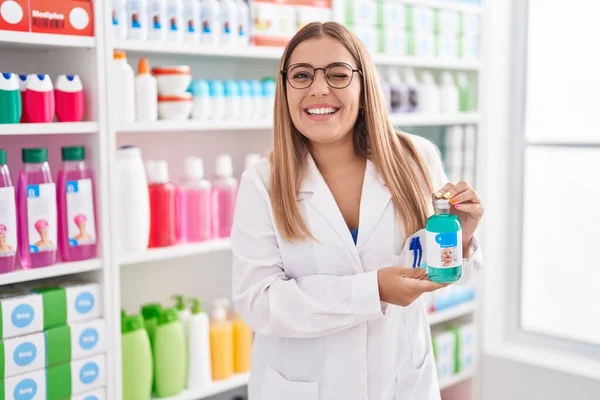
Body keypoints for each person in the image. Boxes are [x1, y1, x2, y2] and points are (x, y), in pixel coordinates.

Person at [230, 22, 484, 400]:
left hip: (399, 381)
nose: (318, 88)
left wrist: (459, 241)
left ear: (364, 89)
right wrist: (372, 290)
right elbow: (258, 303)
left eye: (337, 74)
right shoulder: (262, 182)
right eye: (301, 75)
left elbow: (449, 274)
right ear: (284, 90)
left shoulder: (417, 160)